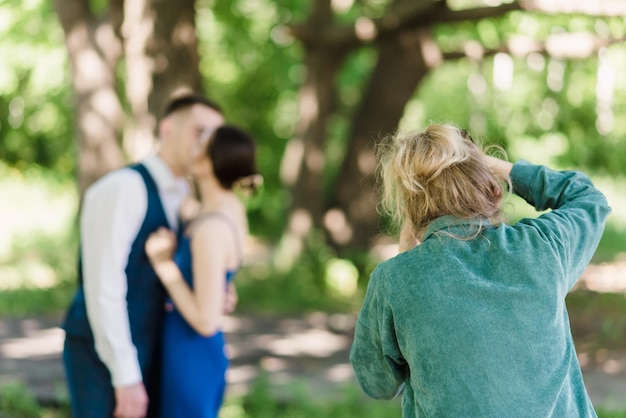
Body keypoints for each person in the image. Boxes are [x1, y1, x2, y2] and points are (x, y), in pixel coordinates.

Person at [350, 124, 612, 417]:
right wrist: (503, 168)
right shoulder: (541, 247)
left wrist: (403, 256)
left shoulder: (394, 281)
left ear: (410, 212)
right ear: (494, 191)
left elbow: (376, 382)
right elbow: (589, 200)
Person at [61, 94, 226, 418]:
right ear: (167, 129)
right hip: (104, 357)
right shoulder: (124, 187)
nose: (207, 144)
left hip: (152, 348)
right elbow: (103, 286)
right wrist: (126, 378)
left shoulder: (183, 195)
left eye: (215, 137)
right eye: (199, 131)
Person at [143, 124, 258, 418]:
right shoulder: (225, 208)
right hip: (185, 350)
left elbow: (205, 320)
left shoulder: (211, 229)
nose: (192, 147)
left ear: (208, 163)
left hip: (190, 354)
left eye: (200, 144)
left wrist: (163, 264)